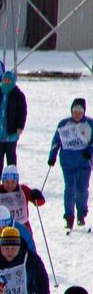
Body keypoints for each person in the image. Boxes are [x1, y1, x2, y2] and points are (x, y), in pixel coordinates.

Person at [47, 97, 91, 231]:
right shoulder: (63, 124)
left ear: (83, 112)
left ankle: (81, 213)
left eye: (80, 111)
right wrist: (52, 157)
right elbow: (56, 141)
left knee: (82, 189)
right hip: (68, 162)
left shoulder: (90, 124)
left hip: (84, 163)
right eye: (75, 111)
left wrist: (89, 151)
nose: (77, 114)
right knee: (70, 188)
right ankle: (69, 217)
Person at [0, 69, 26, 178]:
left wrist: (20, 126)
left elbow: (22, 112)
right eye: (5, 79)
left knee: (11, 155)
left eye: (9, 79)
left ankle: (13, 177)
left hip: (11, 130)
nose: (7, 81)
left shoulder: (18, 94)